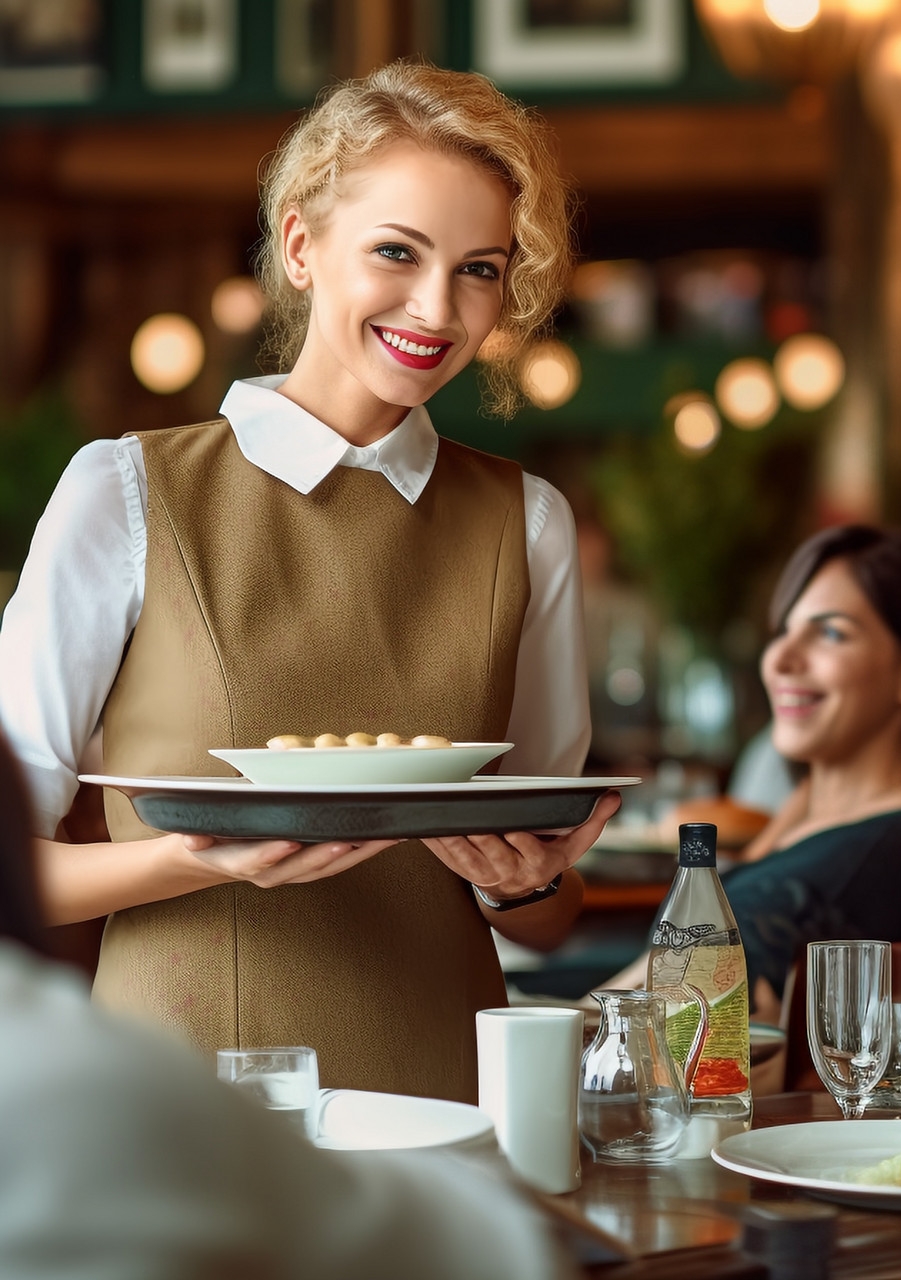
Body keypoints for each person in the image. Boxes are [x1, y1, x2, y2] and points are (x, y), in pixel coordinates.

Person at [0, 62, 616, 1102]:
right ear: (300, 247)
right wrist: (198, 858)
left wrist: (530, 882)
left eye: (479, 268)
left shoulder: (529, 522)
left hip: (448, 1104)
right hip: (183, 1101)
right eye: (396, 252)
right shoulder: (126, 489)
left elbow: (548, 905)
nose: (436, 306)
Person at [0, 735, 572, 1279]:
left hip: (452, 1057)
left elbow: (553, 916)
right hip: (192, 1048)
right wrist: (192, 859)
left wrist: (521, 886)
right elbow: (505, 1254)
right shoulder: (91, 1088)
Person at [717, 526, 901, 1018]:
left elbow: (716, 1028)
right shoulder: (811, 816)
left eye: (831, 633)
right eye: (784, 630)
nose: (779, 659)